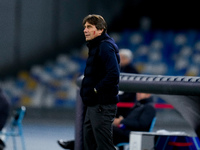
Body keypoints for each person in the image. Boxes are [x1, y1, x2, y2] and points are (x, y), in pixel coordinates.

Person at [57, 93, 156, 150]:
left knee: (101, 128)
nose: (138, 94)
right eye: (138, 92)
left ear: (148, 94)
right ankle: (77, 144)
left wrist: (122, 122)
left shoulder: (149, 108)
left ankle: (76, 144)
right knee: (97, 129)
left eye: (141, 93)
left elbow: (142, 125)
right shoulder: (139, 105)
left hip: (131, 134)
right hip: (124, 131)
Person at [117, 48, 139, 117]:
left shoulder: (133, 71)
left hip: (127, 103)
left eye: (123, 57)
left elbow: (133, 90)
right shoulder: (116, 68)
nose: (120, 59)